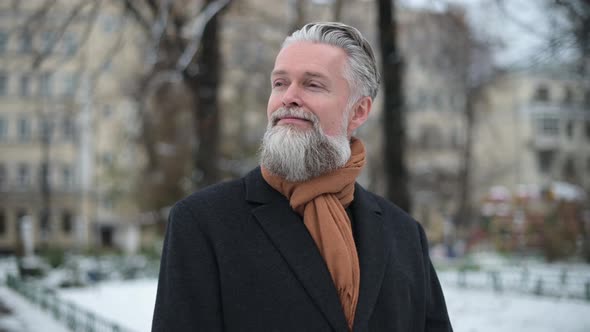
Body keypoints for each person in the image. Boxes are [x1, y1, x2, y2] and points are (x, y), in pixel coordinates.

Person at [152, 22, 452, 332]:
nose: (289, 98)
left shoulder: (404, 234)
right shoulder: (203, 222)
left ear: (359, 112)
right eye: (280, 83)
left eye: (313, 85)